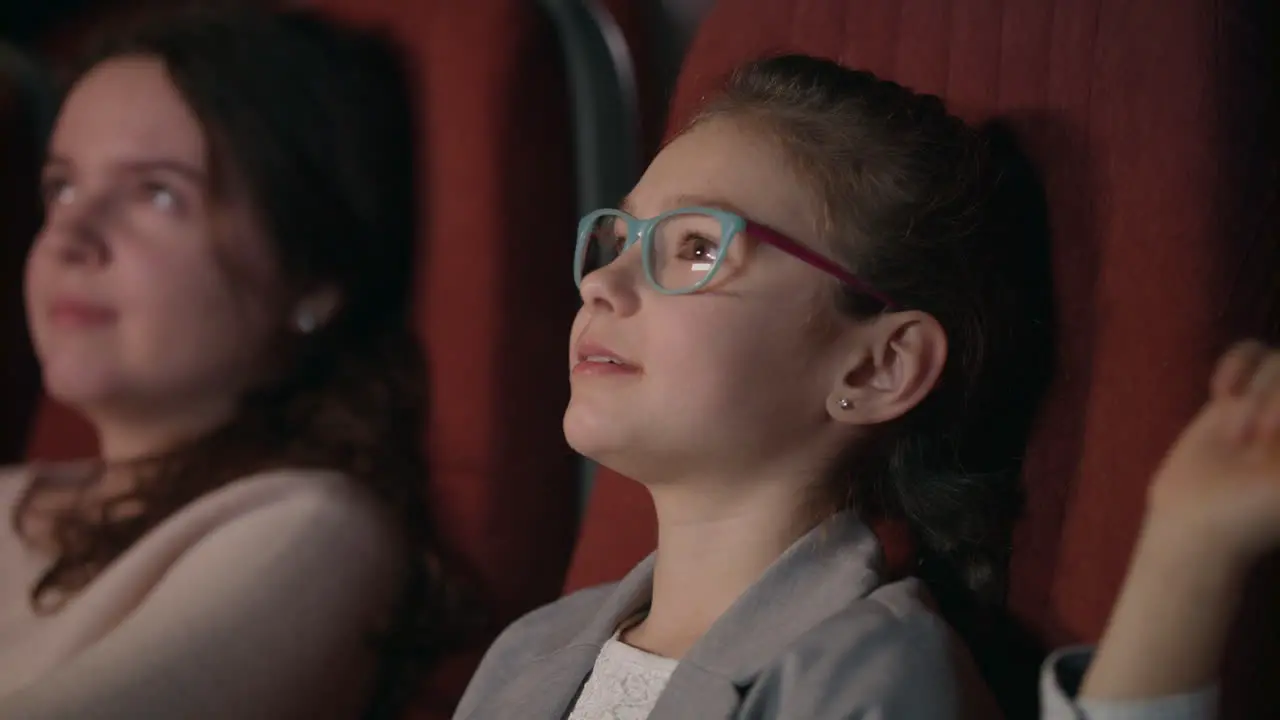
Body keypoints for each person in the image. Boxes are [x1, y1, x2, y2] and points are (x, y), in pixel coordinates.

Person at [452, 54, 1276, 719]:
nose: (603, 285)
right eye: (620, 238)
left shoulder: (871, 679)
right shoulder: (532, 648)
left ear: (877, 367)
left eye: (696, 248)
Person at [0, 8, 453, 719]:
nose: (68, 237)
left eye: (156, 192)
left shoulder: (312, 531)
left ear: (310, 275)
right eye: (62, 186)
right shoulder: (10, 498)